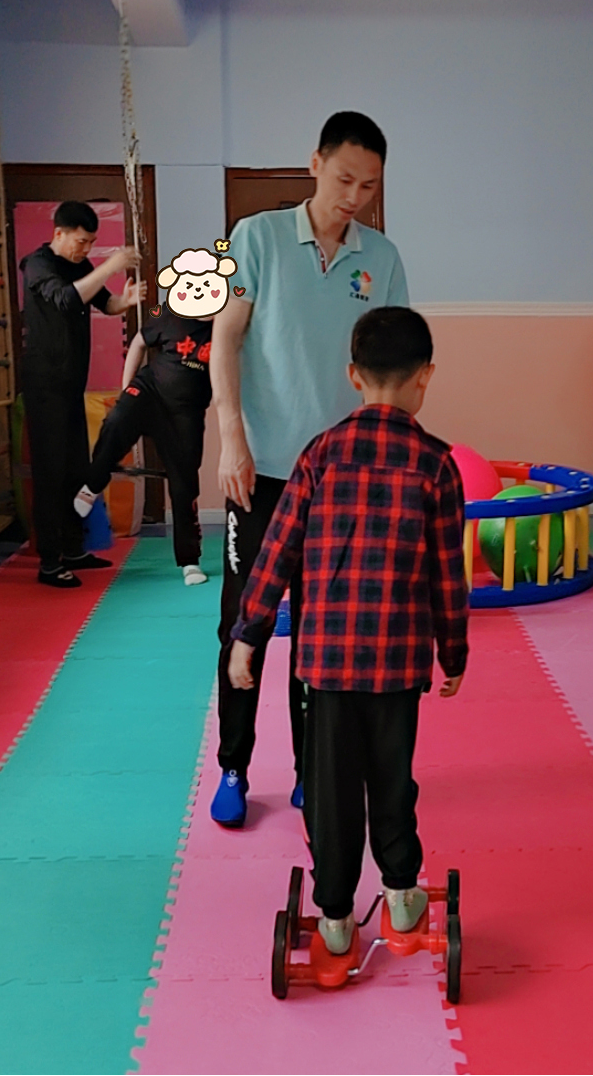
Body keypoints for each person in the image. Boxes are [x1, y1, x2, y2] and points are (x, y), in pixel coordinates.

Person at [226, 306, 467, 956]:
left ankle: (334, 918)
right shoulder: (437, 465)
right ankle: (400, 893)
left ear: (353, 375)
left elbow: (276, 551)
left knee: (330, 789)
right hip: (397, 664)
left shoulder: (320, 454)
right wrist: (454, 654)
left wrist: (248, 633)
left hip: (326, 664)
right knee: (393, 780)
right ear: (425, 376)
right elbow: (448, 576)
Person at [208, 111, 408, 827]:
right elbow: (224, 339)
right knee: (245, 623)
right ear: (315, 163)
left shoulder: (381, 257)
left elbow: (391, 369)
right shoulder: (256, 237)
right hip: (260, 472)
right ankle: (233, 765)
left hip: (342, 478)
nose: (354, 196)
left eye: (369, 186)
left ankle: (310, 770)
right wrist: (231, 438)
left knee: (322, 635)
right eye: (345, 178)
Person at [18, 201, 140, 588]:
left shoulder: (81, 266)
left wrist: (126, 300)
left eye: (91, 243)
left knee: (75, 469)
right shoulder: (38, 265)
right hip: (44, 386)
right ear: (59, 233)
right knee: (51, 473)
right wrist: (111, 264)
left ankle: (73, 549)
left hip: (71, 384)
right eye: (81, 242)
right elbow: (68, 298)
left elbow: (106, 303)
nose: (85, 249)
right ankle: (49, 562)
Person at [71, 293, 214, 586]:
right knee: (116, 421)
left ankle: (189, 560)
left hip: (185, 412)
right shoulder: (171, 312)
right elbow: (138, 342)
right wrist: (126, 389)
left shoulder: (226, 326)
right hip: (149, 391)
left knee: (185, 483)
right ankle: (93, 485)